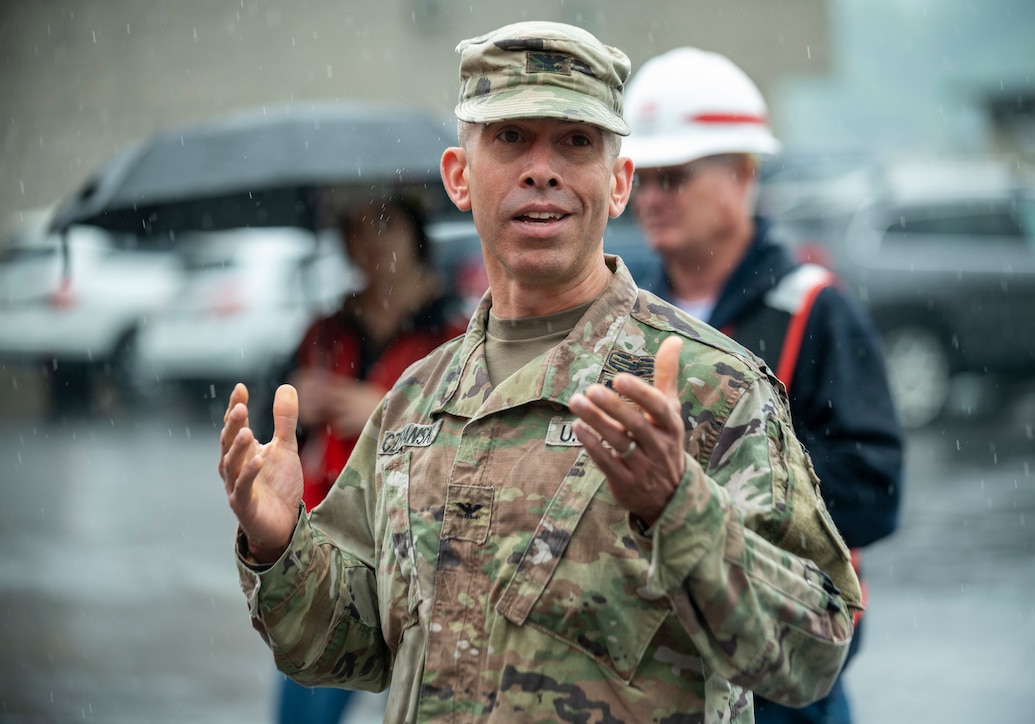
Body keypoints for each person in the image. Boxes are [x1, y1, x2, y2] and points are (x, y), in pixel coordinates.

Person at [219, 21, 863, 723]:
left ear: (619, 184)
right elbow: (346, 647)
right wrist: (280, 544)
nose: (542, 169)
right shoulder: (412, 404)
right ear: (459, 177)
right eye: (511, 138)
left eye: (576, 142)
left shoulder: (712, 388)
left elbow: (813, 653)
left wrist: (681, 508)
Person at [621, 47, 904, 724]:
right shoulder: (627, 316)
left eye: (675, 176)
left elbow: (874, 490)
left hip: (782, 657)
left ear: (744, 175)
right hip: (666, 669)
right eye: (643, 178)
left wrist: (707, 483)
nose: (653, 198)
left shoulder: (814, 309)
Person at [264, 197, 467, 723]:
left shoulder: (457, 332)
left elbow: (477, 441)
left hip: (427, 558)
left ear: (415, 230)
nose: (369, 240)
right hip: (330, 551)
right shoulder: (323, 331)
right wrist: (291, 401)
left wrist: (385, 413)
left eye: (384, 222)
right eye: (353, 227)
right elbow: (277, 433)